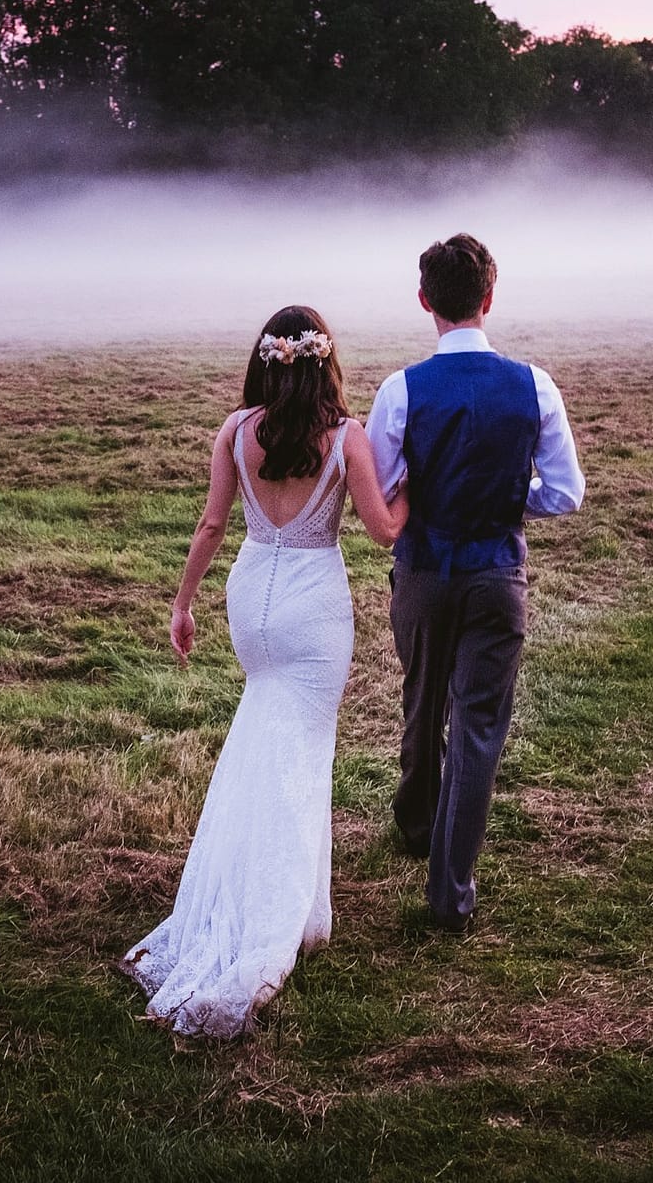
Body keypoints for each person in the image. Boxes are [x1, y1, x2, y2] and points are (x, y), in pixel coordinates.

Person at [119, 305, 407, 1040]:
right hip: (314, 605)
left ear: (266, 361)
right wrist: (423, 482)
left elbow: (212, 524)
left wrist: (182, 604)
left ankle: (267, 897)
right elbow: (384, 530)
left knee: (261, 732)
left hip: (252, 594)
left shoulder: (235, 429)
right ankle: (276, 917)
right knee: (302, 751)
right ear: (326, 363)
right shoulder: (347, 437)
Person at [365, 233, 584, 933]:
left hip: (422, 572)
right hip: (496, 574)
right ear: (489, 298)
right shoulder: (535, 386)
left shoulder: (400, 389)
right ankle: (450, 892)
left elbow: (382, 486)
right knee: (478, 729)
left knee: (422, 697)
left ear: (424, 300)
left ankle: (416, 821)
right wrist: (509, 499)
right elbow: (566, 493)